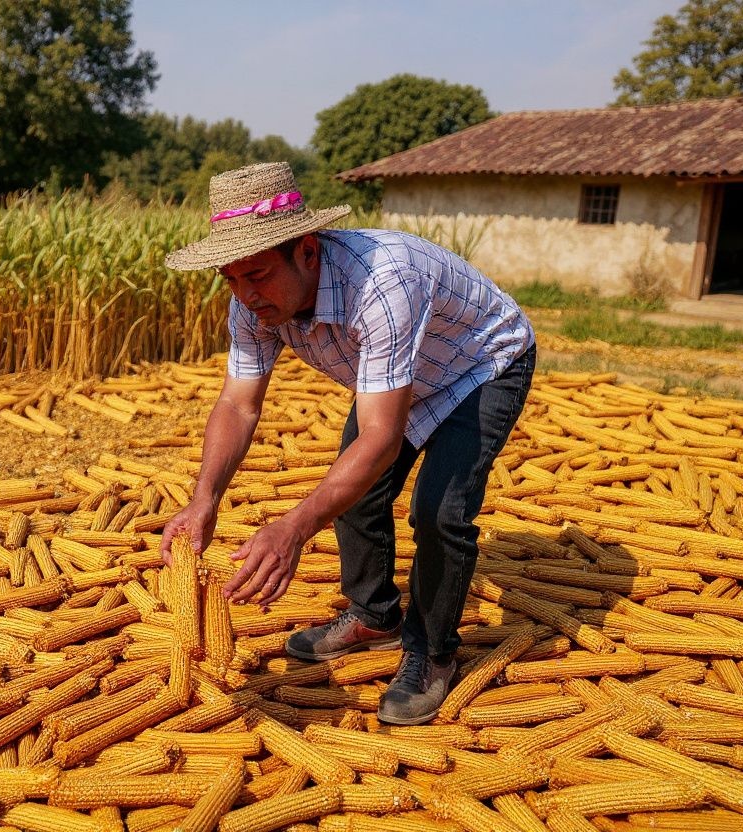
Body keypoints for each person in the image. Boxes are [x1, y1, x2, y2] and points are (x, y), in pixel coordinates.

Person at [159, 161, 535, 725]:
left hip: (479, 365)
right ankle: (373, 615)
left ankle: (432, 652)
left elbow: (381, 437)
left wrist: (293, 528)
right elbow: (238, 403)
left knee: (440, 512)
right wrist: (204, 497)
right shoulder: (250, 302)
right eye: (231, 279)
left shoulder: (384, 281)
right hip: (394, 376)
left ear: (307, 251)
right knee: (355, 492)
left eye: (257, 275)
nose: (245, 293)